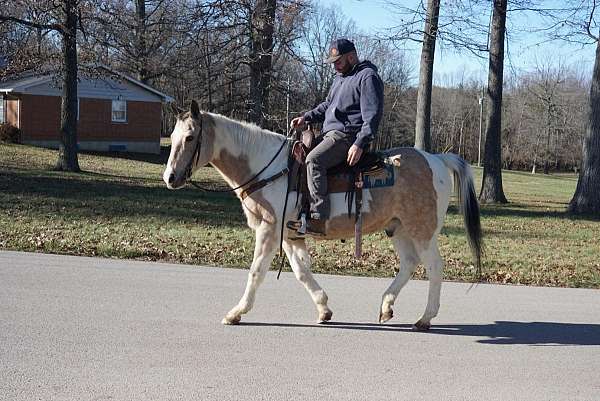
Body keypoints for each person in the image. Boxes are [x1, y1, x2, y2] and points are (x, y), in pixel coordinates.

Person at [288, 38, 384, 236]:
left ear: (351, 56)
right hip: (328, 134)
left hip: (347, 136)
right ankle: (300, 211)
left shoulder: (367, 77)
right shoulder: (340, 78)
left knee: (313, 160)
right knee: (296, 153)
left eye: (338, 61)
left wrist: (359, 143)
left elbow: (372, 116)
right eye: (332, 62)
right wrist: (306, 117)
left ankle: (318, 218)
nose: (335, 66)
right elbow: (327, 106)